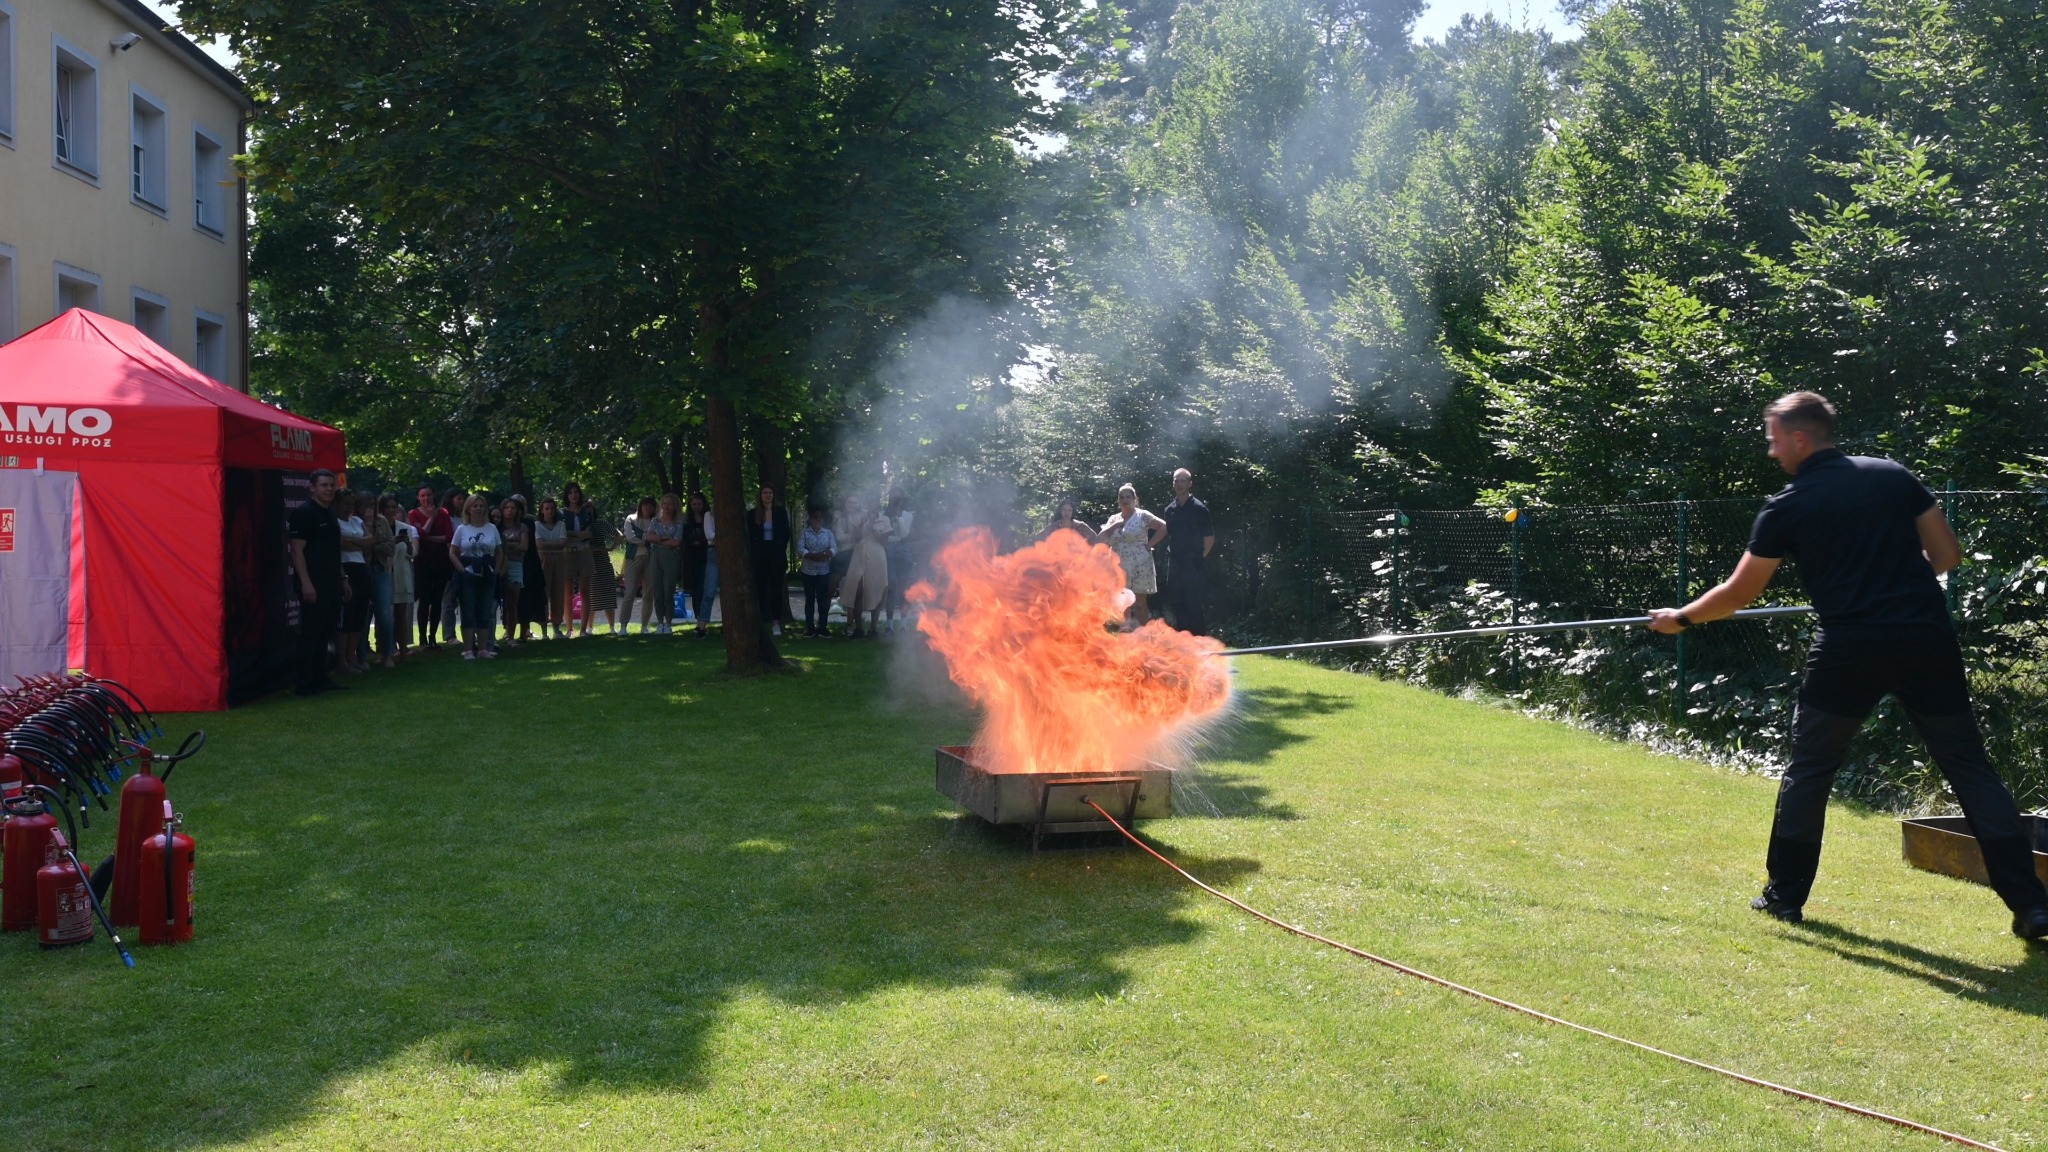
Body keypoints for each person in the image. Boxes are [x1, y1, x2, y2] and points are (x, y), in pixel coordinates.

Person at [1647, 391, 2048, 940]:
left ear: (1799, 438)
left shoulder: (1788, 504)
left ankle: (1784, 899)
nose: (1771, 453)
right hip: (1925, 640)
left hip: (1849, 649)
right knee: (1968, 767)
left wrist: (1681, 618)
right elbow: (1948, 556)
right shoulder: (1892, 476)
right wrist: (1900, 582)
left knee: (1811, 769)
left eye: (1773, 441)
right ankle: (2033, 906)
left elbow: (1740, 593)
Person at [288, 469, 349, 696]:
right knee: (311, 633)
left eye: (331, 485)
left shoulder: (330, 513)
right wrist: (306, 583)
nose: (329, 489)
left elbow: (334, 551)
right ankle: (303, 683)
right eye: (324, 485)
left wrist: (343, 578)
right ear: (312, 487)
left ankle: (320, 677)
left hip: (332, 582)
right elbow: (296, 551)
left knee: (326, 631)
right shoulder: (304, 513)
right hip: (314, 583)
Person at [1102, 483, 1168, 628]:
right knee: (1123, 603)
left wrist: (1150, 545)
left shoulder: (1142, 516)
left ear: (1135, 499)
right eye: (1122, 497)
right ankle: (1126, 637)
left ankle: (1145, 636)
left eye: (1128, 497)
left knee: (1140, 604)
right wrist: (1115, 525)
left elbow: (1164, 527)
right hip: (1119, 565)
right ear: (1118, 501)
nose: (1125, 500)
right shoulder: (1114, 518)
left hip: (1140, 564)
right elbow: (1102, 537)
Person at [1159, 468, 1216, 636]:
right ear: (1173, 484)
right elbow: (1170, 534)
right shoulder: (1169, 509)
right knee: (1178, 604)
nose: (1179, 484)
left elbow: (1209, 539)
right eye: (1176, 480)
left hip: (1194, 563)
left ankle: (1200, 644)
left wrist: (1197, 557)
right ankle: (1185, 644)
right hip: (1175, 563)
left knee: (1194, 604)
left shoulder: (1200, 509)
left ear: (1190, 484)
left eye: (1183, 480)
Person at [450, 493, 503, 660]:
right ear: (468, 509)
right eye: (475, 506)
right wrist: (461, 570)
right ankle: (467, 650)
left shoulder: (492, 528)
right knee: (469, 611)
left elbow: (500, 552)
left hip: (487, 574)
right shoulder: (462, 529)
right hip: (469, 574)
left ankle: (482, 649)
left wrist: (496, 570)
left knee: (485, 611)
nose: (478, 509)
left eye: (481, 506)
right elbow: (453, 552)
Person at [838, 497, 892, 639]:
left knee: (876, 589)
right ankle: (858, 628)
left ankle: (873, 628)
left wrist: (874, 527)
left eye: (873, 502)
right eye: (869, 502)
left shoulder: (884, 519)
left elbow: (884, 541)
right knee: (857, 589)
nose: (871, 505)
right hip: (859, 555)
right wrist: (860, 527)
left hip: (877, 556)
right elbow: (854, 539)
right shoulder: (859, 518)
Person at [408, 486, 454, 649]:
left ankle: (433, 637)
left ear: (434, 495)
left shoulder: (444, 513)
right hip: (423, 563)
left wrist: (427, 537)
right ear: (418, 497)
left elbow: (449, 536)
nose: (426, 498)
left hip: (441, 561)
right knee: (424, 600)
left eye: (429, 494)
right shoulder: (413, 514)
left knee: (437, 600)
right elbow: (418, 534)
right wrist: (431, 519)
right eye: (422, 495)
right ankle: (422, 639)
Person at [748, 485, 794, 637]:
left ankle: (776, 623)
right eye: (765, 492)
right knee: (760, 590)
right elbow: (751, 536)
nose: (767, 495)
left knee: (776, 590)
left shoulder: (780, 513)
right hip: (759, 557)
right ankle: (760, 622)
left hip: (776, 556)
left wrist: (777, 547)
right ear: (760, 495)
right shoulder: (753, 514)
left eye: (770, 492)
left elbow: (786, 533)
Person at [334, 489, 372, 674]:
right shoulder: (334, 522)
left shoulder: (356, 520)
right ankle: (342, 661)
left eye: (352, 504)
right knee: (346, 615)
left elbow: (370, 541)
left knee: (359, 615)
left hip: (360, 567)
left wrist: (352, 541)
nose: (349, 507)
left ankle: (352, 657)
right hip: (345, 567)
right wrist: (358, 541)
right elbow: (338, 543)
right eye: (345, 503)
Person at [362, 494, 397, 667]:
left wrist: (373, 545)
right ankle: (360, 656)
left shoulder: (382, 521)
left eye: (372, 504)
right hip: (362, 570)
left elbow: (391, 546)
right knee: (362, 615)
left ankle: (387, 654)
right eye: (365, 505)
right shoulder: (354, 522)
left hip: (381, 569)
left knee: (384, 615)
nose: (369, 508)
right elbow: (358, 547)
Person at [560, 483, 598, 637]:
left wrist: (574, 534)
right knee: (567, 592)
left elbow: (590, 534)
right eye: (570, 493)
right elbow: (562, 533)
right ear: (566, 496)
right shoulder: (561, 513)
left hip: (584, 552)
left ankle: (583, 629)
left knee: (585, 591)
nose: (573, 495)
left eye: (576, 492)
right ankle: (569, 629)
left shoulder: (586, 512)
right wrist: (579, 534)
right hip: (567, 554)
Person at [646, 493, 686, 635]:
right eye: (664, 504)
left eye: (670, 504)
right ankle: (660, 622)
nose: (667, 507)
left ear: (675, 506)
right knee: (657, 590)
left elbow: (676, 542)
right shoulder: (655, 521)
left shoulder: (679, 522)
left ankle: (668, 622)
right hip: (655, 555)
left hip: (671, 557)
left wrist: (659, 540)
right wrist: (663, 538)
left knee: (668, 589)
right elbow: (649, 537)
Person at [384, 495, 417, 665]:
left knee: (401, 615)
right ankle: (387, 651)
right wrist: (393, 542)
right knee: (384, 615)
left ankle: (403, 650)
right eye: (387, 507)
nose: (391, 510)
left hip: (402, 574)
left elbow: (412, 554)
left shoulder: (405, 528)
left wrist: (408, 544)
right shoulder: (378, 527)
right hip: (384, 573)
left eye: (393, 507)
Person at [619, 497, 658, 633]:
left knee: (648, 593)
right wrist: (647, 538)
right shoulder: (631, 519)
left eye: (650, 505)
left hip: (651, 559)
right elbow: (630, 537)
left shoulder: (656, 521)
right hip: (633, 558)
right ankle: (623, 625)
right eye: (645, 505)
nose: (647, 508)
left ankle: (644, 625)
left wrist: (646, 538)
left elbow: (657, 537)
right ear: (640, 506)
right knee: (629, 592)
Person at [798, 506, 837, 638]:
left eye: (820, 517)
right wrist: (812, 556)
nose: (817, 520)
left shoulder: (828, 533)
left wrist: (826, 554)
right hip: (808, 571)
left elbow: (834, 548)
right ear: (810, 519)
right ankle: (809, 628)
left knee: (823, 600)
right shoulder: (804, 533)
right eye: (815, 517)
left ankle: (823, 628)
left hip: (823, 571)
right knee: (809, 600)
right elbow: (800, 549)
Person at [534, 496, 570, 639]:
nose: (549, 511)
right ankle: (543, 630)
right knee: (544, 593)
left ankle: (556, 628)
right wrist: (555, 545)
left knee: (558, 593)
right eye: (546, 509)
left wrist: (551, 546)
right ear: (542, 510)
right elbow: (540, 545)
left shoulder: (560, 524)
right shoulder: (537, 525)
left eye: (552, 508)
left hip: (560, 560)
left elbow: (563, 543)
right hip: (543, 560)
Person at [497, 497, 530, 648]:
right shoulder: (496, 527)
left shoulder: (522, 528)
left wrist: (506, 546)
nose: (509, 510)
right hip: (498, 564)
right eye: (507, 508)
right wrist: (512, 544)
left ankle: (511, 636)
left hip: (516, 565)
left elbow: (523, 547)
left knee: (512, 603)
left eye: (513, 508)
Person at [437, 488, 468, 643]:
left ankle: (468, 633)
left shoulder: (465, 518)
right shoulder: (446, 517)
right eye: (459, 499)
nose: (462, 502)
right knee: (449, 599)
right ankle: (449, 634)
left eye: (463, 499)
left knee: (465, 600)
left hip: (466, 561)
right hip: (449, 563)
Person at [882, 493, 916, 634]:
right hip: (889, 553)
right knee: (890, 590)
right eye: (893, 500)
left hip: (904, 553)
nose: (896, 503)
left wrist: (898, 517)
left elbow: (903, 534)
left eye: (898, 500)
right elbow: (884, 536)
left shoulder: (908, 515)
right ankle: (889, 625)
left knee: (904, 591)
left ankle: (903, 625)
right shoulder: (883, 515)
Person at [588, 509, 623, 635]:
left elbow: (619, 535)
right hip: (587, 563)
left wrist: (611, 548)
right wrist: (599, 548)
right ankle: (589, 628)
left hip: (603, 563)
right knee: (590, 596)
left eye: (590, 509)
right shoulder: (581, 525)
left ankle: (612, 627)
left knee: (608, 596)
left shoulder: (601, 523)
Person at [682, 492, 712, 628]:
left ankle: (704, 618)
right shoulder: (687, 520)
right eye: (694, 504)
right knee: (695, 590)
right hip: (691, 558)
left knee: (704, 588)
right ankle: (698, 617)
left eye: (699, 504)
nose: (697, 506)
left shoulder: (709, 518)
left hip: (706, 556)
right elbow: (685, 537)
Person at [694, 495, 722, 636]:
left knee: (728, 592)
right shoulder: (708, 515)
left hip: (729, 553)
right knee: (709, 591)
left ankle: (727, 623)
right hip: (714, 553)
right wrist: (724, 537)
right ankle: (702, 625)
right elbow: (710, 535)